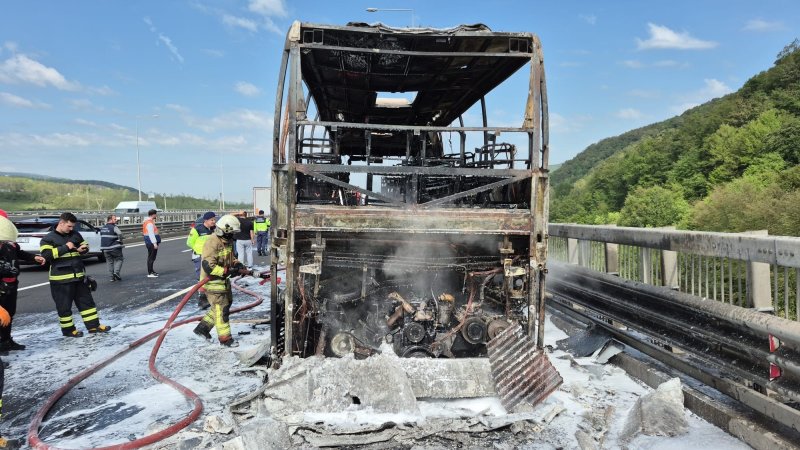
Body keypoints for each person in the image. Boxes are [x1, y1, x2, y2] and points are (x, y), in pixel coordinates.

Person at [39, 212, 111, 337]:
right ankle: (68, 330)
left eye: (73, 226)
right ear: (61, 223)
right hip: (61, 280)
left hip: (79, 277)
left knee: (87, 303)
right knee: (64, 307)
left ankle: (94, 326)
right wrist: (66, 247)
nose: (71, 229)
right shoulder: (48, 239)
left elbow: (84, 244)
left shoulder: (75, 234)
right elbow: (46, 255)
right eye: (69, 226)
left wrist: (83, 249)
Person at [193, 214, 248, 347]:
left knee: (225, 304)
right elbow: (208, 265)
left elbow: (230, 258)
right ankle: (225, 339)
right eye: (232, 233)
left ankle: (203, 328)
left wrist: (237, 264)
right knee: (221, 309)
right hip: (213, 283)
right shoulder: (212, 241)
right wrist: (227, 271)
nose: (233, 236)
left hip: (223, 282)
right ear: (225, 230)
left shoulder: (227, 241)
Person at [0, 213, 45, 351]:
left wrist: (34, 258)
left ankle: (6, 341)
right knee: (2, 315)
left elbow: (20, 253)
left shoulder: (10, 243)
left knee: (9, 314)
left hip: (11, 284)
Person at [187, 211, 216, 309]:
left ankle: (208, 297)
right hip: (199, 256)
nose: (213, 221)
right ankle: (202, 299)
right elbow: (189, 243)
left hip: (210, 256)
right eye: (212, 220)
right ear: (206, 220)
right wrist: (199, 250)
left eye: (214, 219)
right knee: (201, 277)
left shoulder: (214, 230)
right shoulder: (197, 229)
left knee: (210, 276)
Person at [99, 214, 124, 282]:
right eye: (115, 219)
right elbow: (120, 233)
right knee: (119, 259)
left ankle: (112, 277)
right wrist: (120, 240)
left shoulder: (103, 227)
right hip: (114, 247)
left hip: (105, 248)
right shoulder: (114, 227)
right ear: (110, 220)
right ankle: (116, 272)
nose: (116, 220)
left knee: (109, 262)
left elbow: (102, 235)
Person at [142, 209, 161, 277]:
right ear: (153, 214)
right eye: (156, 214)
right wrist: (154, 243)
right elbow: (151, 234)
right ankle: (150, 273)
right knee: (151, 257)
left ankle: (152, 271)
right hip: (151, 242)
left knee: (152, 257)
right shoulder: (149, 223)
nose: (156, 215)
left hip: (149, 242)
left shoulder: (148, 221)